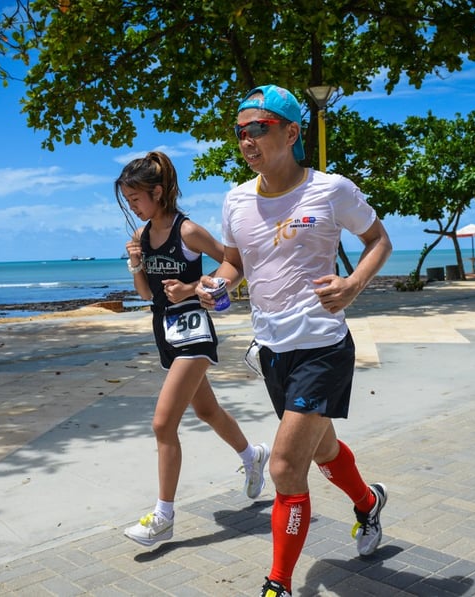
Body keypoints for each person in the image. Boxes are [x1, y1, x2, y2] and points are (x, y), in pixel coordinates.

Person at [197, 86, 393, 596]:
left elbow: (379, 240)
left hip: (324, 345)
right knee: (322, 449)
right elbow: (235, 263)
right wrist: (217, 285)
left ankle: (277, 585)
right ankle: (369, 504)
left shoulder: (331, 190)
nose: (246, 140)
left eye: (257, 128)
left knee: (285, 466)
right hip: (272, 351)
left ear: (290, 132)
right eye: (240, 131)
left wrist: (352, 285)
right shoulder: (236, 200)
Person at [115, 150, 269, 547]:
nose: (133, 208)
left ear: (158, 192)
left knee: (163, 424)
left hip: (195, 334)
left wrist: (193, 288)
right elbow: (147, 293)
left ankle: (163, 516)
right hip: (164, 333)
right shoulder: (142, 237)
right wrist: (136, 264)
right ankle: (252, 456)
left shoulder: (188, 232)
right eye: (128, 202)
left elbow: (233, 266)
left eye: (136, 199)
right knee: (207, 410)